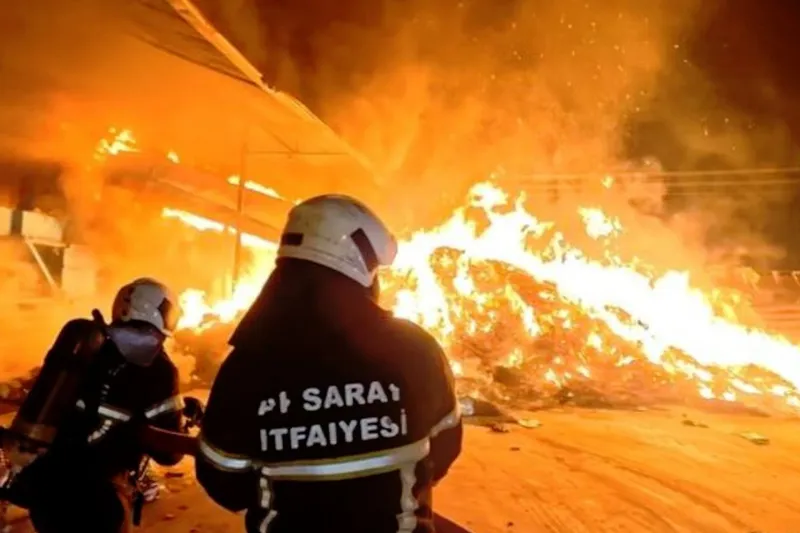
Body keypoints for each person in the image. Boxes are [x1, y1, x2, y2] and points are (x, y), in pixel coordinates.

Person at [196, 195, 463, 533]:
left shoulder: (246, 366)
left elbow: (225, 483)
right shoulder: (415, 349)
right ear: (361, 268)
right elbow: (444, 448)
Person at [10, 277, 186, 533]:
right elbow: (170, 455)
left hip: (46, 488)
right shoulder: (158, 368)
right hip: (99, 500)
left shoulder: (87, 345)